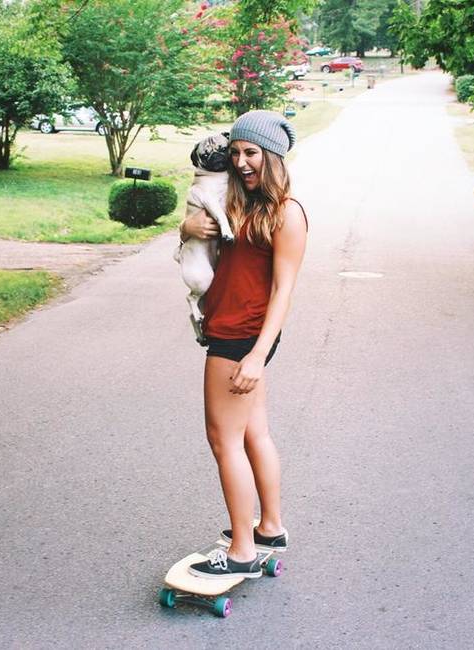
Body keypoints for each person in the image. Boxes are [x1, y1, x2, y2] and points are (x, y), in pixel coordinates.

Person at [179, 110, 308, 579]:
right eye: (235, 153)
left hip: (242, 337)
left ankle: (241, 552)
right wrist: (185, 230)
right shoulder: (238, 202)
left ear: (271, 156)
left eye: (251, 152)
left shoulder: (286, 213)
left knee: (223, 440)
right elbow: (202, 239)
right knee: (254, 433)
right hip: (234, 329)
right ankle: (269, 527)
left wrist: (256, 354)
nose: (241, 161)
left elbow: (283, 290)